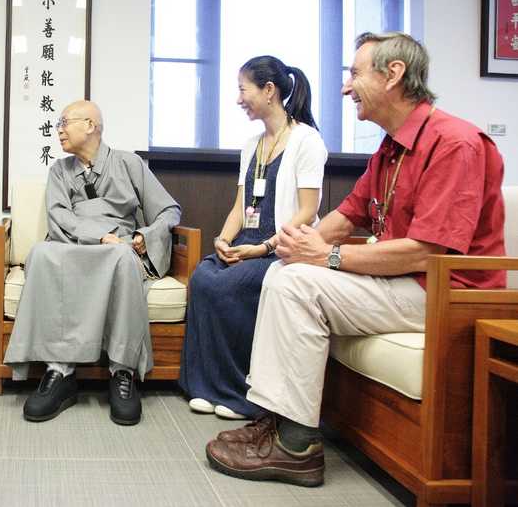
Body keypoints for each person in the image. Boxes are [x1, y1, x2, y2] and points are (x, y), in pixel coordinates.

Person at [205, 32, 506, 487]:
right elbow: (345, 218)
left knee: (297, 283)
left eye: (355, 74)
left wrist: (325, 256)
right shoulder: (390, 149)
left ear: (394, 74)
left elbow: (427, 253)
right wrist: (288, 246)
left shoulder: (454, 142)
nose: (346, 88)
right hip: (407, 283)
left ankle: (297, 446)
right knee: (286, 272)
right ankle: (277, 419)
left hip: (448, 293)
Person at [4, 99, 182, 425]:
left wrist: (145, 234)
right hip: (74, 246)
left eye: (64, 122)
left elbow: (169, 211)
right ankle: (60, 371)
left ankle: (122, 372)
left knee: (122, 257)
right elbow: (58, 217)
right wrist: (98, 237)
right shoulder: (59, 170)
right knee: (41, 254)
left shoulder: (129, 164)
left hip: (118, 249)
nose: (58, 129)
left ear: (91, 125)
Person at [179, 56, 327, 420]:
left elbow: (308, 211)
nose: (238, 98)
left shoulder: (307, 141)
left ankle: (242, 392)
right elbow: (239, 205)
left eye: (243, 89)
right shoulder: (252, 145)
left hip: (283, 249)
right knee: (202, 277)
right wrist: (223, 240)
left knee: (232, 286)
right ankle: (205, 386)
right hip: (246, 243)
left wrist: (263, 247)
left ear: (269, 91)